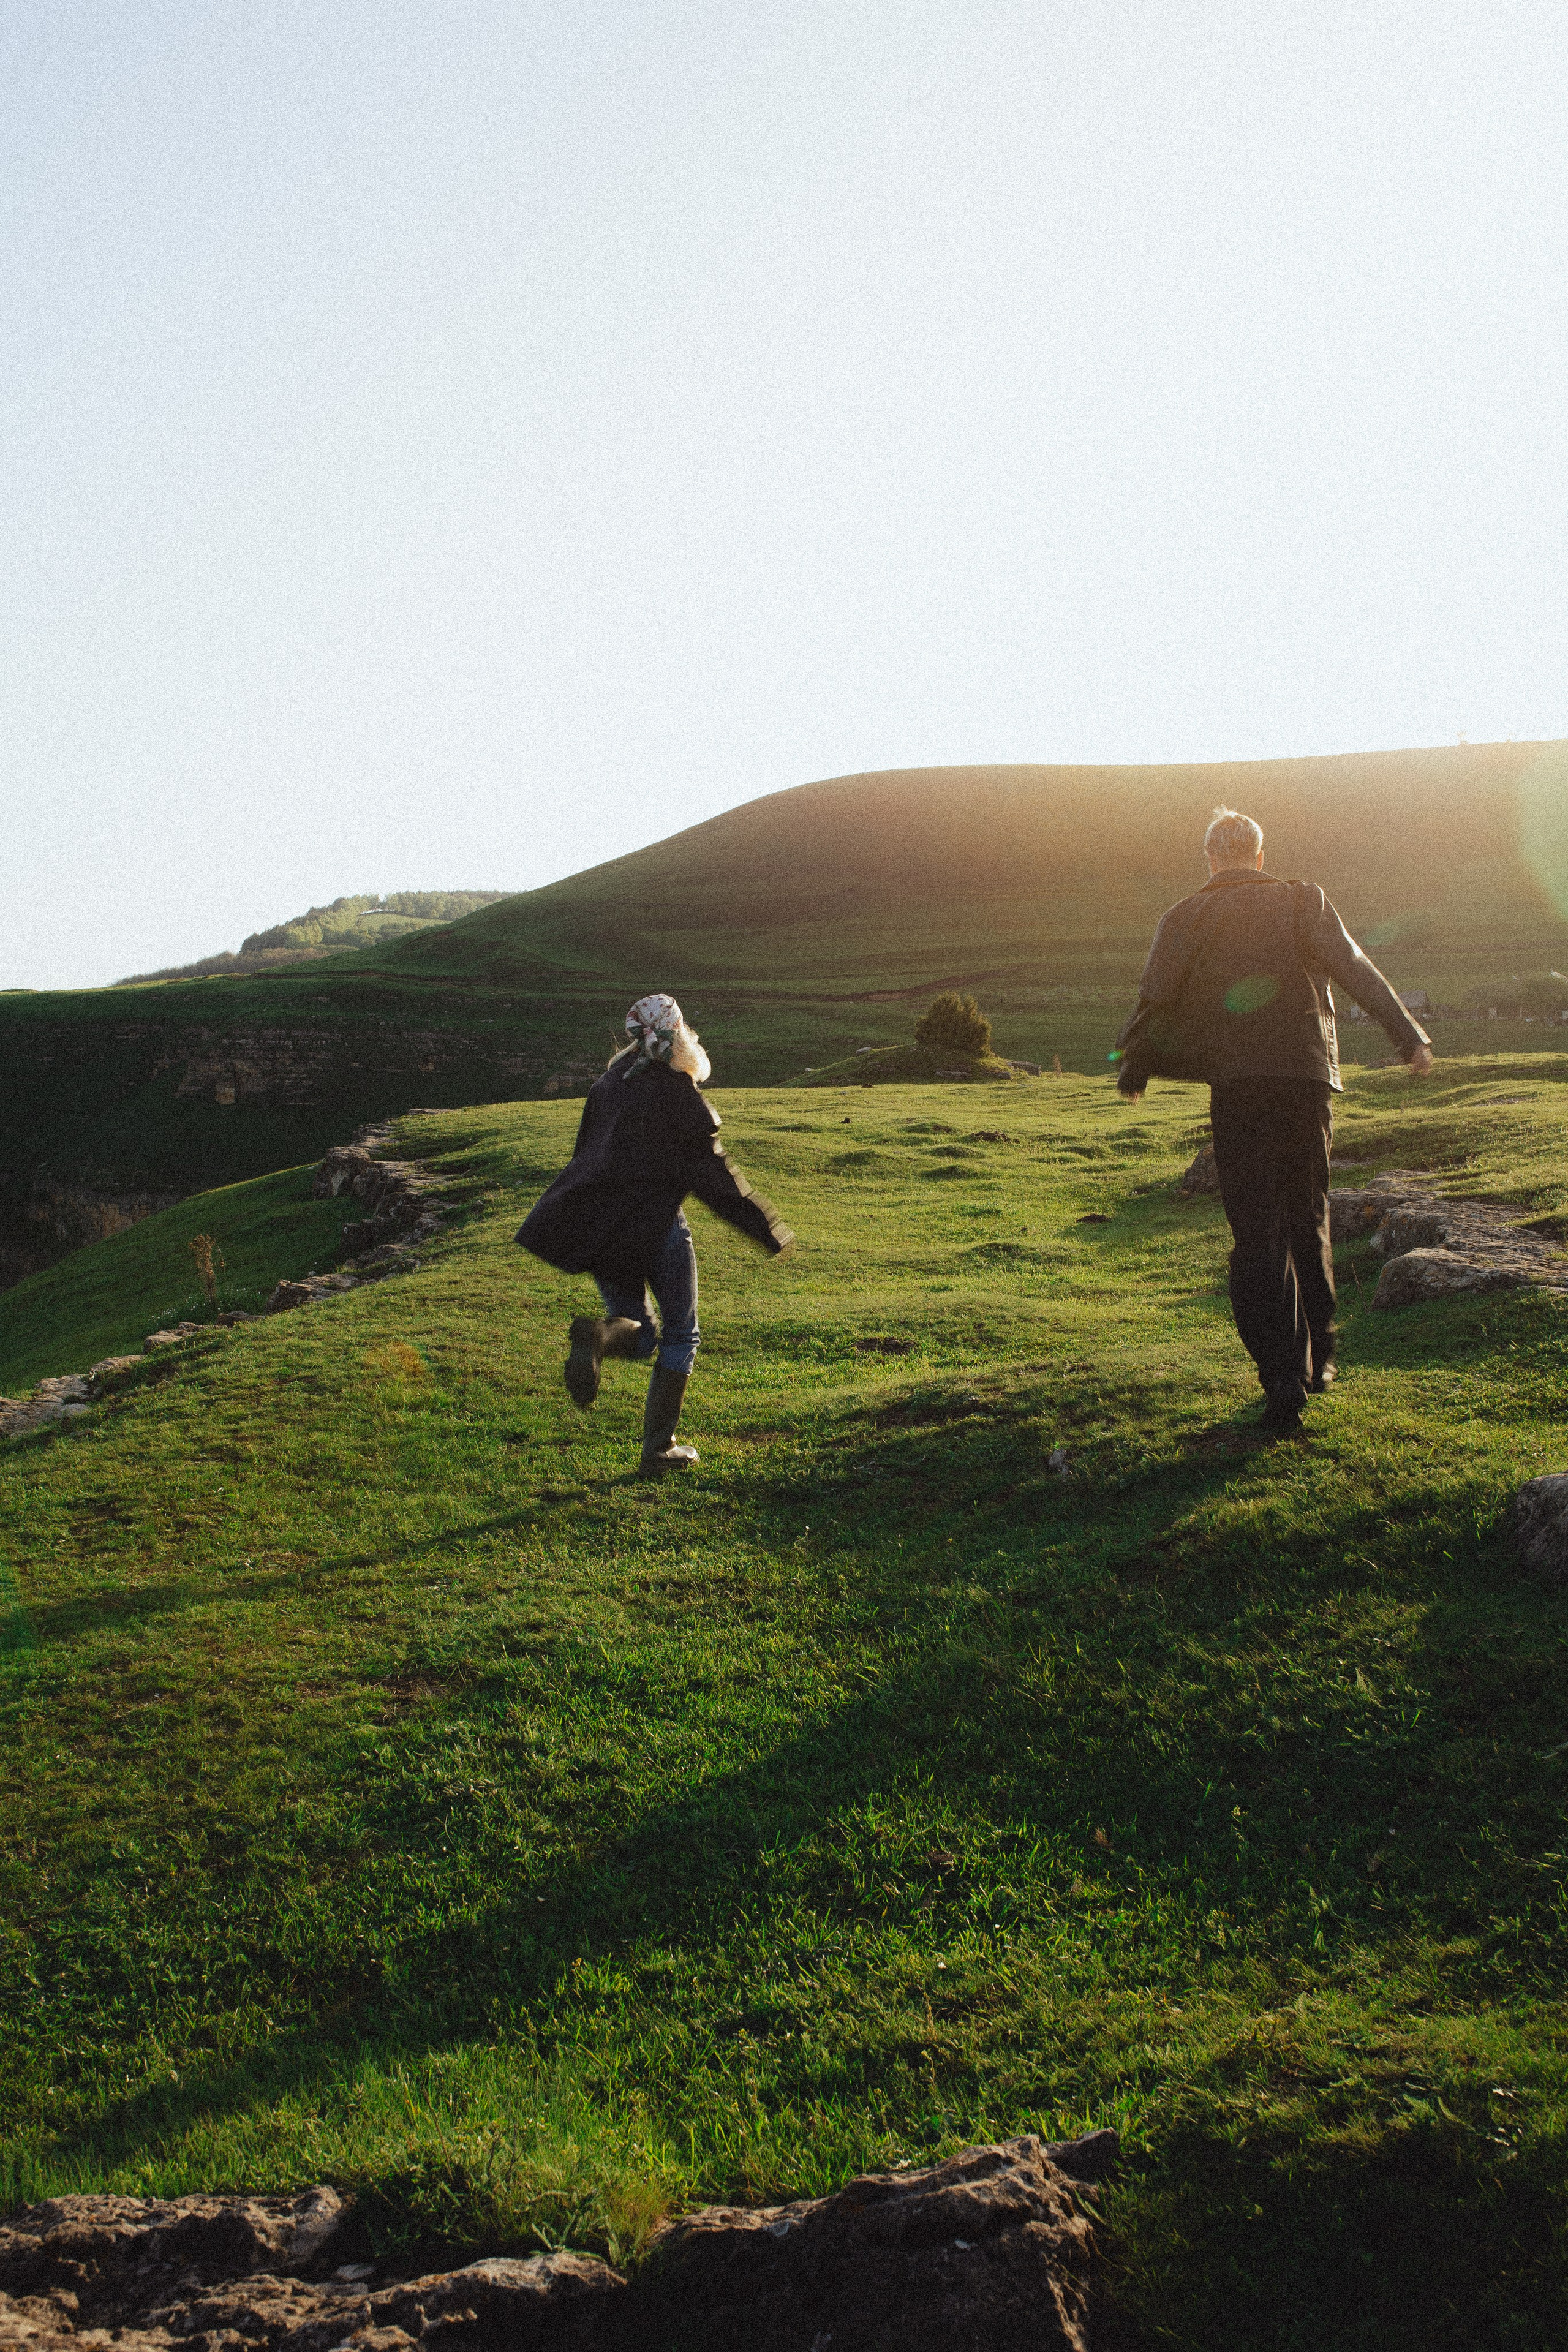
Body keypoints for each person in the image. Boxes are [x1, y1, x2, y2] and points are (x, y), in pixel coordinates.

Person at [1114, 807, 1433, 1433]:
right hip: (1305, 1078)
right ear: (1259, 856)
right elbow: (1354, 966)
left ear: (1211, 859)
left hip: (1237, 1086)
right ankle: (1320, 1359)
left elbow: (1156, 994)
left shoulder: (1183, 916)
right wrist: (1407, 1035)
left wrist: (1134, 1066)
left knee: (1256, 1228)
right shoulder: (1301, 900)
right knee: (1306, 1214)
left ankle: (1282, 1376)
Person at [516, 993, 794, 1474]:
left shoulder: (608, 1085)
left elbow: (585, 1157)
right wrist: (768, 1230)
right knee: (682, 1334)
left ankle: (602, 1337)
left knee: (640, 1333)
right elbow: (717, 1179)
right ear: (679, 1033)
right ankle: (658, 1450)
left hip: (601, 1228)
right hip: (657, 1227)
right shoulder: (679, 1095)